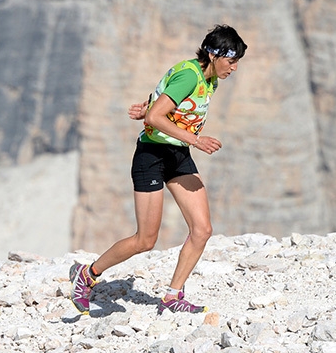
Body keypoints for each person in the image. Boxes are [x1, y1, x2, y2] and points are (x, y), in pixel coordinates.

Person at [69, 24, 247, 315]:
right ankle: (87, 275)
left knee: (202, 230)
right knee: (145, 240)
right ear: (214, 55)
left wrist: (148, 109)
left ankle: (172, 295)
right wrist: (195, 139)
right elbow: (156, 115)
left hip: (176, 154)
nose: (235, 68)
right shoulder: (190, 76)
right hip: (151, 156)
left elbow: (161, 102)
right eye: (232, 60)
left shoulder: (208, 78)